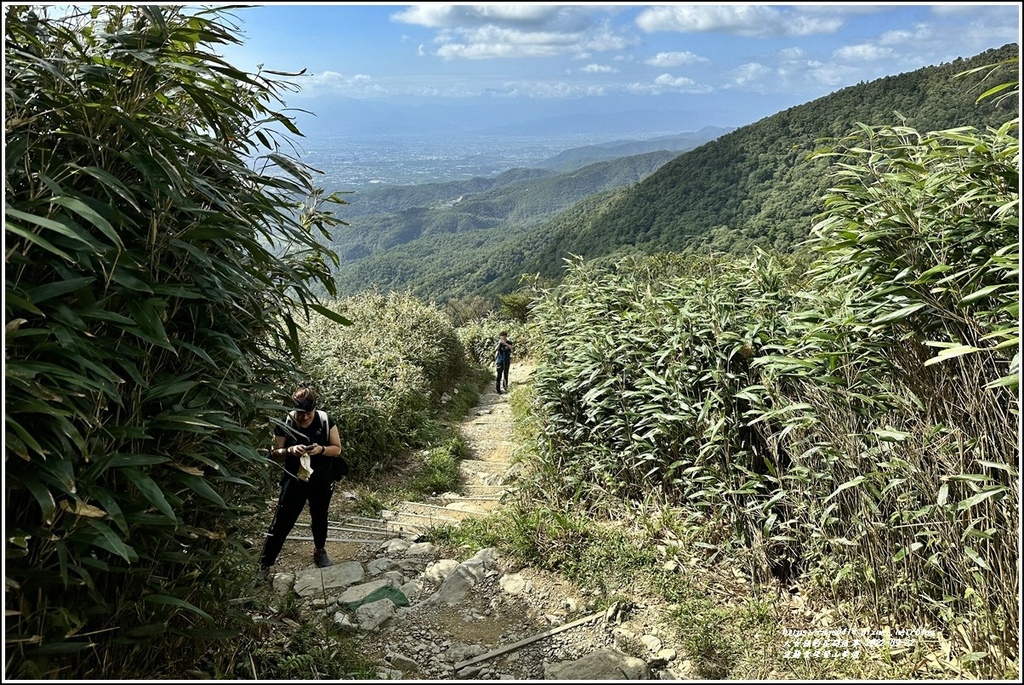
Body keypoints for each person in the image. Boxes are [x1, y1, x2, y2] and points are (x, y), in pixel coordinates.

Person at [259, 384, 344, 576]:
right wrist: (289, 451)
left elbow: (337, 448)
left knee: (320, 516)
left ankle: (320, 550)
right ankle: (265, 563)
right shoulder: (286, 422)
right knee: (283, 520)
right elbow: (275, 453)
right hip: (295, 479)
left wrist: (321, 449)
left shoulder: (324, 420)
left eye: (308, 413)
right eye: (300, 413)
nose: (304, 417)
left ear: (314, 408)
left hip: (322, 478)